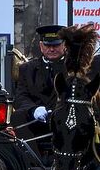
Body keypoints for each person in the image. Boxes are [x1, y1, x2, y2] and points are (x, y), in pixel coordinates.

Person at [12, 24, 65, 158]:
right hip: (36, 121)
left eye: (56, 45)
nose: (51, 49)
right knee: (17, 116)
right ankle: (33, 162)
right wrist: (33, 109)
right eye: (48, 46)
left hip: (64, 119)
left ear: (64, 45)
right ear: (41, 46)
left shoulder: (73, 68)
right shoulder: (27, 69)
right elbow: (20, 97)